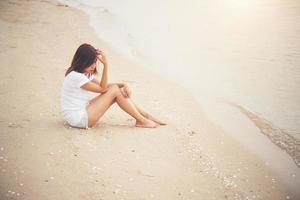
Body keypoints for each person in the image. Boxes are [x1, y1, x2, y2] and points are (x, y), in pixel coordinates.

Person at [60, 43, 166, 129]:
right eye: (90, 63)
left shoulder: (82, 73)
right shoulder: (76, 77)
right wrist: (106, 65)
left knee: (115, 89)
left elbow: (106, 86)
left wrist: (124, 84)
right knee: (114, 90)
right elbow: (103, 89)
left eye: (94, 62)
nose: (93, 66)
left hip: (82, 111)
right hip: (79, 118)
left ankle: (145, 115)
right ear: (82, 61)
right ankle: (141, 120)